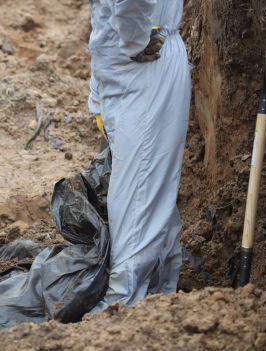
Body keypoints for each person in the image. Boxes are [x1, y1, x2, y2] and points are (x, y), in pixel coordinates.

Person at [87, 0, 192, 309]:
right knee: (147, 188)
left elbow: (131, 4)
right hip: (130, 62)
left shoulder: (139, 42)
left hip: (145, 60)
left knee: (139, 193)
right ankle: (157, 295)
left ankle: (124, 304)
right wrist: (98, 90)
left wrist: (135, 42)